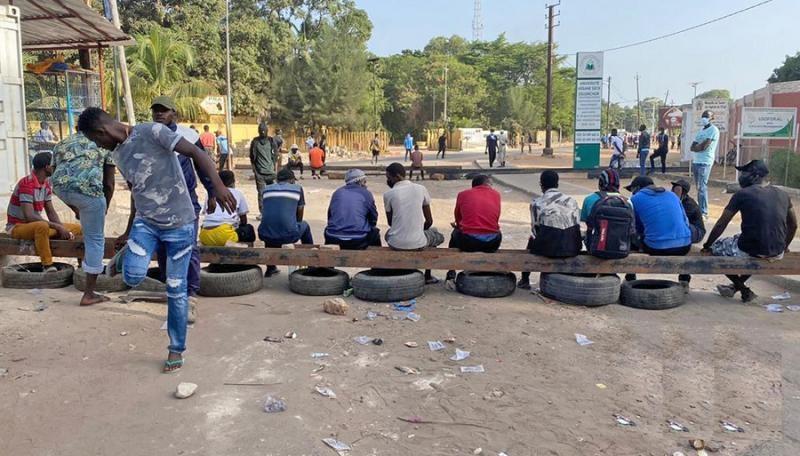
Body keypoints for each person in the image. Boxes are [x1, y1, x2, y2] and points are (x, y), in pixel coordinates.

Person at [78, 107, 236, 373]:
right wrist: (129, 229)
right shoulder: (117, 154)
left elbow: (197, 152)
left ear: (101, 131)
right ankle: (127, 256)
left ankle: (176, 349)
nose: (98, 146)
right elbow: (136, 191)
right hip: (147, 223)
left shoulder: (152, 131)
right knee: (132, 277)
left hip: (181, 223)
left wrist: (218, 186)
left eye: (95, 141)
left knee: (176, 289)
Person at [115, 96, 215, 317]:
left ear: (174, 114)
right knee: (162, 247)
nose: (159, 114)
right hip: (156, 205)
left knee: (188, 246)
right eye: (156, 110)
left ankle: (191, 294)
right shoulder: (145, 138)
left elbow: (202, 164)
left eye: (164, 110)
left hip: (185, 201)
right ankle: (171, 288)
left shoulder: (189, 136)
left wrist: (213, 191)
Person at [702, 160, 797, 302]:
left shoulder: (742, 194)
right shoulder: (783, 194)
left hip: (752, 249)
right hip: (777, 252)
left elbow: (722, 223)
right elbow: (794, 225)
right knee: (754, 248)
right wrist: (785, 246)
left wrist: (707, 245)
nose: (741, 176)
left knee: (716, 248)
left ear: (755, 176)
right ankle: (738, 287)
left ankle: (742, 288)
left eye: (744, 173)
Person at [51, 132, 115, 306]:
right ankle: (89, 294)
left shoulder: (62, 142)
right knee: (95, 240)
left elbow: (55, 175)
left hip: (60, 188)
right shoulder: (104, 143)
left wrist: (76, 209)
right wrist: (104, 208)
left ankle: (79, 210)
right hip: (89, 192)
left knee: (85, 214)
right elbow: (109, 184)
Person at [6, 152, 82, 272]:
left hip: (36, 227)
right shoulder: (26, 184)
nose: (55, 168)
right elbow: (29, 216)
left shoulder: (45, 184)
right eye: (53, 165)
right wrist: (57, 227)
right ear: (47, 167)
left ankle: (82, 264)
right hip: (17, 227)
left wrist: (62, 228)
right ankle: (47, 265)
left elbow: (51, 212)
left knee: (78, 229)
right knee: (42, 226)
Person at [625, 176, 693, 288]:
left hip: (657, 247)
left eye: (632, 191)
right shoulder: (672, 195)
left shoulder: (635, 199)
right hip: (684, 246)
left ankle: (630, 278)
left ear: (637, 188)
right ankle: (684, 279)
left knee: (630, 238)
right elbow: (685, 221)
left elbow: (635, 227)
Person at [518, 170, 581, 289]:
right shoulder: (572, 201)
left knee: (532, 238)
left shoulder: (537, 203)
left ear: (541, 185)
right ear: (557, 184)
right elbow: (576, 223)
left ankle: (525, 279)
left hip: (549, 249)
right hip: (572, 247)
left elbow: (535, 230)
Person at [384, 162, 444, 284]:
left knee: (388, 234)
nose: (388, 181)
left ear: (397, 176)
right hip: (418, 243)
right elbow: (429, 221)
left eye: (389, 178)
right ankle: (428, 275)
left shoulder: (388, 194)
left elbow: (391, 223)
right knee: (436, 234)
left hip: (396, 243)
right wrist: (419, 230)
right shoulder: (420, 189)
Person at [445, 174, 502, 285]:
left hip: (469, 242)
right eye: (491, 184)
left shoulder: (463, 194)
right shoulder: (496, 194)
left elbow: (458, 218)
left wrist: (460, 226)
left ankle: (451, 272)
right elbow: (495, 219)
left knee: (455, 232)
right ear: (486, 184)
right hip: (492, 242)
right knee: (496, 231)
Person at [258, 168, 313, 276]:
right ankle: (311, 262)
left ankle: (270, 268)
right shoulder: (297, 188)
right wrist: (295, 223)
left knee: (270, 226)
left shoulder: (267, 189)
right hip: (288, 236)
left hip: (264, 235)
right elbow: (300, 211)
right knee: (305, 226)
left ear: (277, 180)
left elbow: (268, 211)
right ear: (292, 180)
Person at [324, 169, 380, 250]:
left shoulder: (337, 192)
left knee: (329, 229)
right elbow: (373, 218)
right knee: (375, 232)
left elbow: (330, 216)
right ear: (361, 182)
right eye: (365, 181)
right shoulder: (366, 193)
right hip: (358, 239)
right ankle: (375, 257)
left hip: (333, 237)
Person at [199, 170, 251, 247]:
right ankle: (234, 245)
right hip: (225, 234)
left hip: (205, 235)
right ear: (233, 182)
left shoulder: (210, 194)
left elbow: (206, 212)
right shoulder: (238, 193)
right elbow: (244, 220)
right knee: (249, 229)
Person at [691, 110, 719, 219]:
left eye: (706, 116)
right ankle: (701, 209)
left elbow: (704, 146)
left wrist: (698, 147)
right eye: (703, 116)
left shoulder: (713, 130)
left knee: (702, 187)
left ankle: (704, 212)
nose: (704, 118)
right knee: (698, 187)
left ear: (712, 118)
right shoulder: (701, 131)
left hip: (705, 162)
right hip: (696, 161)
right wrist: (698, 147)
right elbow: (692, 147)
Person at [249, 121, 278, 211]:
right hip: (262, 173)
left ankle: (268, 211)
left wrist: (275, 170)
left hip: (268, 172)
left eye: (263, 130)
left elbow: (275, 156)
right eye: (261, 130)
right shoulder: (256, 142)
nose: (262, 132)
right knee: (264, 193)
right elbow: (252, 157)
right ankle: (265, 212)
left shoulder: (270, 141)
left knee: (269, 193)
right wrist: (255, 171)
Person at [670, 179, 705, 244]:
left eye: (678, 190)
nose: (674, 192)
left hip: (697, 231)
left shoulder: (689, 204)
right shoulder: (673, 200)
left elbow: (679, 219)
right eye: (674, 189)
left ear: (683, 193)